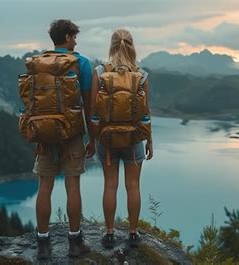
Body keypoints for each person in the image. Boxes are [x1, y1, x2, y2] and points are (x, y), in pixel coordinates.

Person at [32, 19, 94, 259]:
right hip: (72, 133)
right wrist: (93, 139)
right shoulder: (81, 63)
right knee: (73, 185)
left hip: (44, 133)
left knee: (44, 186)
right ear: (67, 37)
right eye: (74, 36)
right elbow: (89, 106)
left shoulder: (39, 64)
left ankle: (42, 243)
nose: (76, 41)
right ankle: (74, 240)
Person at [87, 28, 153, 249]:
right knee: (133, 186)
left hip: (107, 141)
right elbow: (146, 112)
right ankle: (133, 233)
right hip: (134, 139)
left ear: (111, 46)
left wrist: (93, 140)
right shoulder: (141, 74)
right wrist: (149, 140)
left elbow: (94, 111)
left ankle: (109, 233)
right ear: (132, 46)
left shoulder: (99, 72)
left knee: (110, 185)